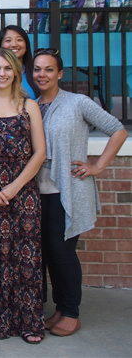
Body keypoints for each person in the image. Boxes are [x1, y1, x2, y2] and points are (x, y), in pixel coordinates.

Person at [33, 48, 127, 338]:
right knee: (49, 252)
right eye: (37, 69)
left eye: (49, 69)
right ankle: (60, 309)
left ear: (60, 73)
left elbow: (118, 130)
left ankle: (72, 313)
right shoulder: (33, 105)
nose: (42, 74)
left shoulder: (78, 102)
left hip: (68, 188)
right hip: (39, 190)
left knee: (62, 252)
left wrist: (97, 165)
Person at [0, 48, 46, 342]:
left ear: (16, 71)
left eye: (7, 68)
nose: (2, 73)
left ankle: (30, 322)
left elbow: (39, 153)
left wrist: (15, 187)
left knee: (26, 259)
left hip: (24, 191)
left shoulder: (29, 106)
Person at [0, 25, 39, 99]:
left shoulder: (36, 73)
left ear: (26, 46)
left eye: (19, 40)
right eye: (8, 40)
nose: (14, 44)